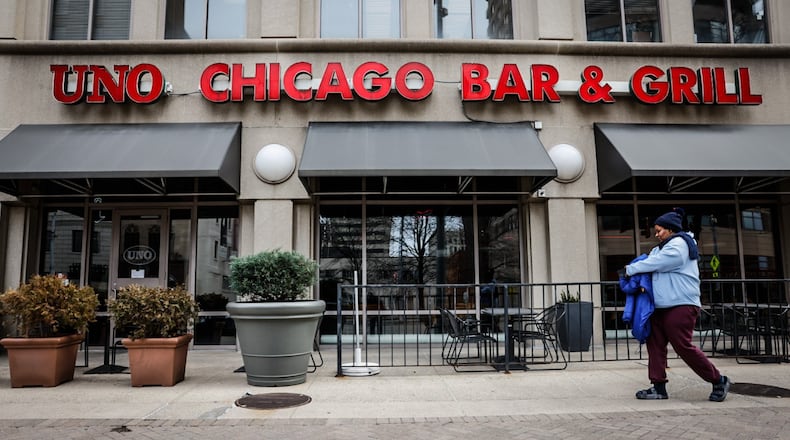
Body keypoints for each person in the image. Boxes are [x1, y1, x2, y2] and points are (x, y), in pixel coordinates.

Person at [624, 208, 730, 402]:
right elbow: (653, 262)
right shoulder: (661, 248)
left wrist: (631, 269)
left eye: (659, 230)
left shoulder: (680, 244)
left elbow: (658, 263)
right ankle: (658, 387)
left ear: (671, 229)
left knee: (682, 345)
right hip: (660, 306)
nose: (656, 234)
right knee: (654, 343)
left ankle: (718, 380)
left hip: (681, 304)